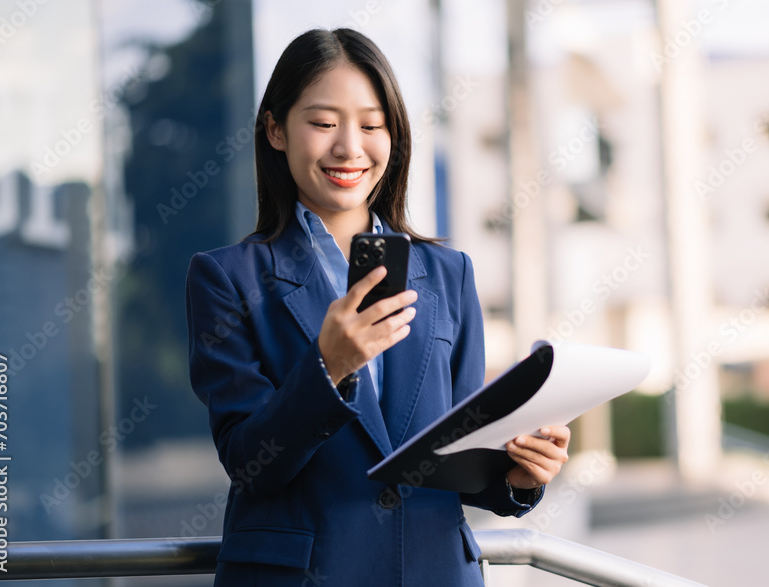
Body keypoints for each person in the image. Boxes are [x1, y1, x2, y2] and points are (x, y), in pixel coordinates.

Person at [185, 28, 570, 586]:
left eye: (371, 125)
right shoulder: (226, 277)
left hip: (433, 571)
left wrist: (518, 473)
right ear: (275, 129)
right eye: (322, 123)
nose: (349, 147)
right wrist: (328, 367)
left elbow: (457, 456)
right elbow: (250, 464)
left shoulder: (448, 273)